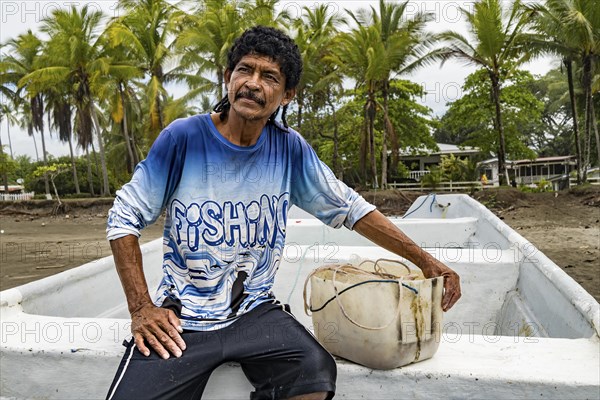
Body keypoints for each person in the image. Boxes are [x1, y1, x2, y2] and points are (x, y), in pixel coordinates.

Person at [105, 26, 461, 400]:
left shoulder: (289, 150)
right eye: (245, 70)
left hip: (254, 312)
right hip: (183, 318)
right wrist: (142, 307)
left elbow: (352, 209)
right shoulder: (184, 138)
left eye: (269, 76)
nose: (253, 84)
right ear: (228, 78)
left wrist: (427, 262)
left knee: (315, 372)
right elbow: (124, 216)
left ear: (287, 94)